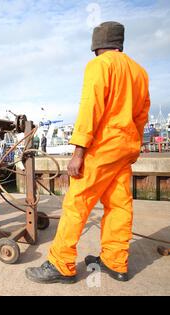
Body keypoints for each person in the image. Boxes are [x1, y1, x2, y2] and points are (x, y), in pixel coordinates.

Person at [26, 21, 150, 284]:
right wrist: (134, 146)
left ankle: (61, 264)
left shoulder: (98, 65)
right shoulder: (140, 72)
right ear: (119, 43)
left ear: (96, 45)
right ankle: (115, 262)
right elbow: (141, 115)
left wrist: (79, 151)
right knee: (119, 206)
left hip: (101, 148)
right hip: (124, 149)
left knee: (76, 205)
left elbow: (90, 107)